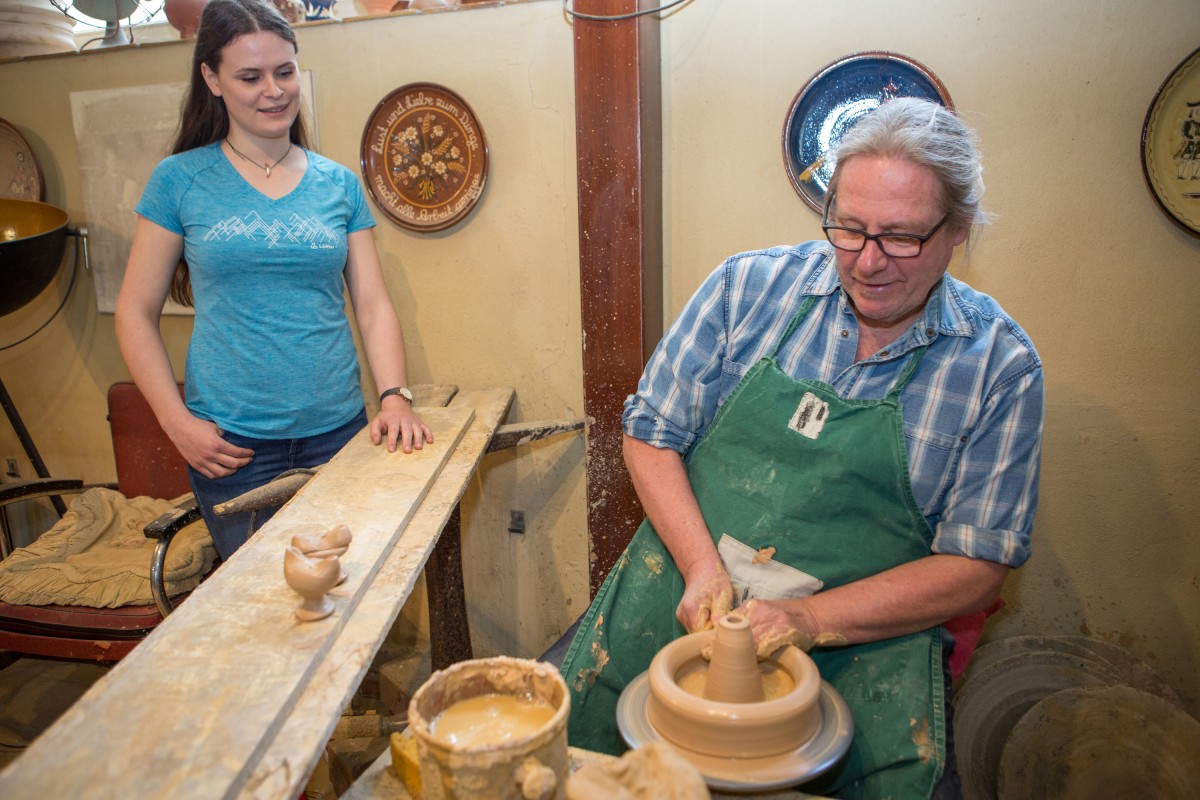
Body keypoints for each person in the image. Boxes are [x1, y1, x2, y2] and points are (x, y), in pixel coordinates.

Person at [559, 97, 1043, 798]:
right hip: (690, 588)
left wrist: (809, 619)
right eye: (849, 228)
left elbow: (978, 564)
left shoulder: (1000, 366)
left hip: (861, 635)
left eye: (901, 237)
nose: (868, 262)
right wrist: (700, 569)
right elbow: (650, 436)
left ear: (958, 231)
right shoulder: (745, 290)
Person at [115, 0, 432, 561]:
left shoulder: (337, 183)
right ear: (211, 79)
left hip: (339, 433)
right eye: (250, 76)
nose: (274, 90)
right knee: (264, 613)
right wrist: (176, 422)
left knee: (344, 594)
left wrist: (394, 398)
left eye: (284, 72)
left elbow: (373, 304)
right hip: (232, 448)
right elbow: (135, 312)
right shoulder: (179, 180)